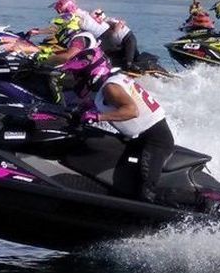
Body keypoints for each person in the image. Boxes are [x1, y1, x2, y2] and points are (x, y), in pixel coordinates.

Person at [61, 46, 174, 203]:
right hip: (138, 138)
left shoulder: (110, 87)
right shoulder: (109, 84)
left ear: (92, 72)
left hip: (155, 139)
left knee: (145, 191)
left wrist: (98, 116)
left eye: (79, 74)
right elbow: (99, 104)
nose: (76, 78)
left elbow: (131, 111)